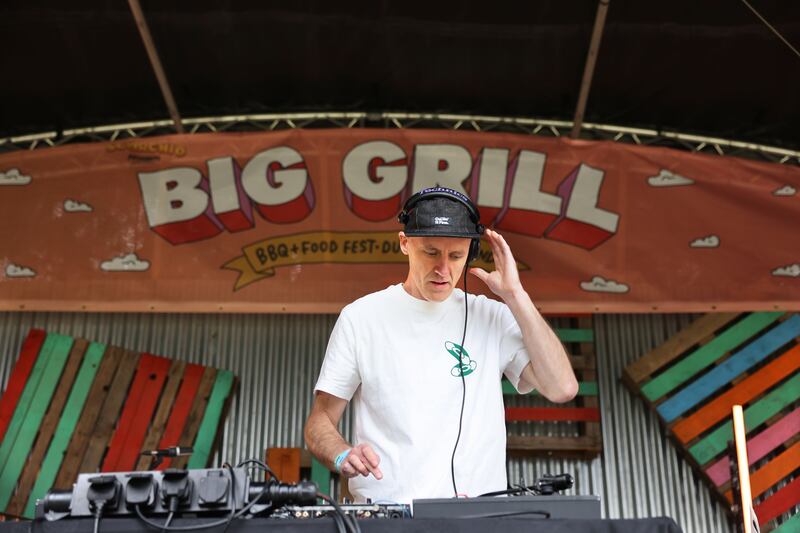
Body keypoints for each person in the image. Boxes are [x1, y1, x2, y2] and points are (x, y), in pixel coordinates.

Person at [304, 187, 578, 504]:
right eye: (431, 253)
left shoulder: (492, 316)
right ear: (404, 243)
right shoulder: (360, 318)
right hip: (389, 516)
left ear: (471, 253)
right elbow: (320, 420)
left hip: (478, 516)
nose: (443, 269)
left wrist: (516, 295)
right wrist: (341, 453)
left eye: (456, 256)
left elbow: (562, 388)